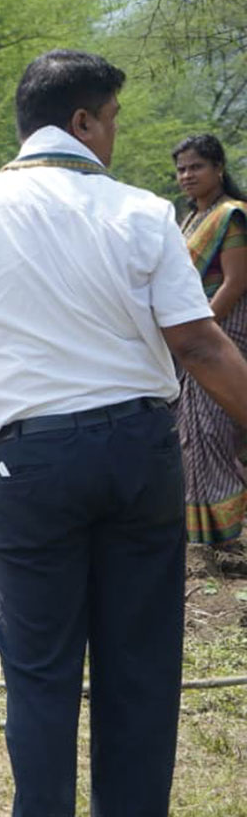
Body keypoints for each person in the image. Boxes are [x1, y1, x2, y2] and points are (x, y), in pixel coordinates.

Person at [0, 49, 247, 817]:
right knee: (140, 662)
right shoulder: (141, 212)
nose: (118, 135)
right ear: (85, 121)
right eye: (115, 119)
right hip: (140, 453)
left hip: (34, 460)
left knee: (43, 665)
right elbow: (200, 341)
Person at [172, 134, 247, 546]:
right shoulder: (188, 221)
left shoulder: (231, 216)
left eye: (196, 166)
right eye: (182, 168)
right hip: (192, 333)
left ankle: (224, 537)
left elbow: (235, 282)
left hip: (223, 330)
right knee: (192, 432)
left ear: (219, 168)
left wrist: (201, 330)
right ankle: (205, 534)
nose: (187, 175)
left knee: (213, 430)